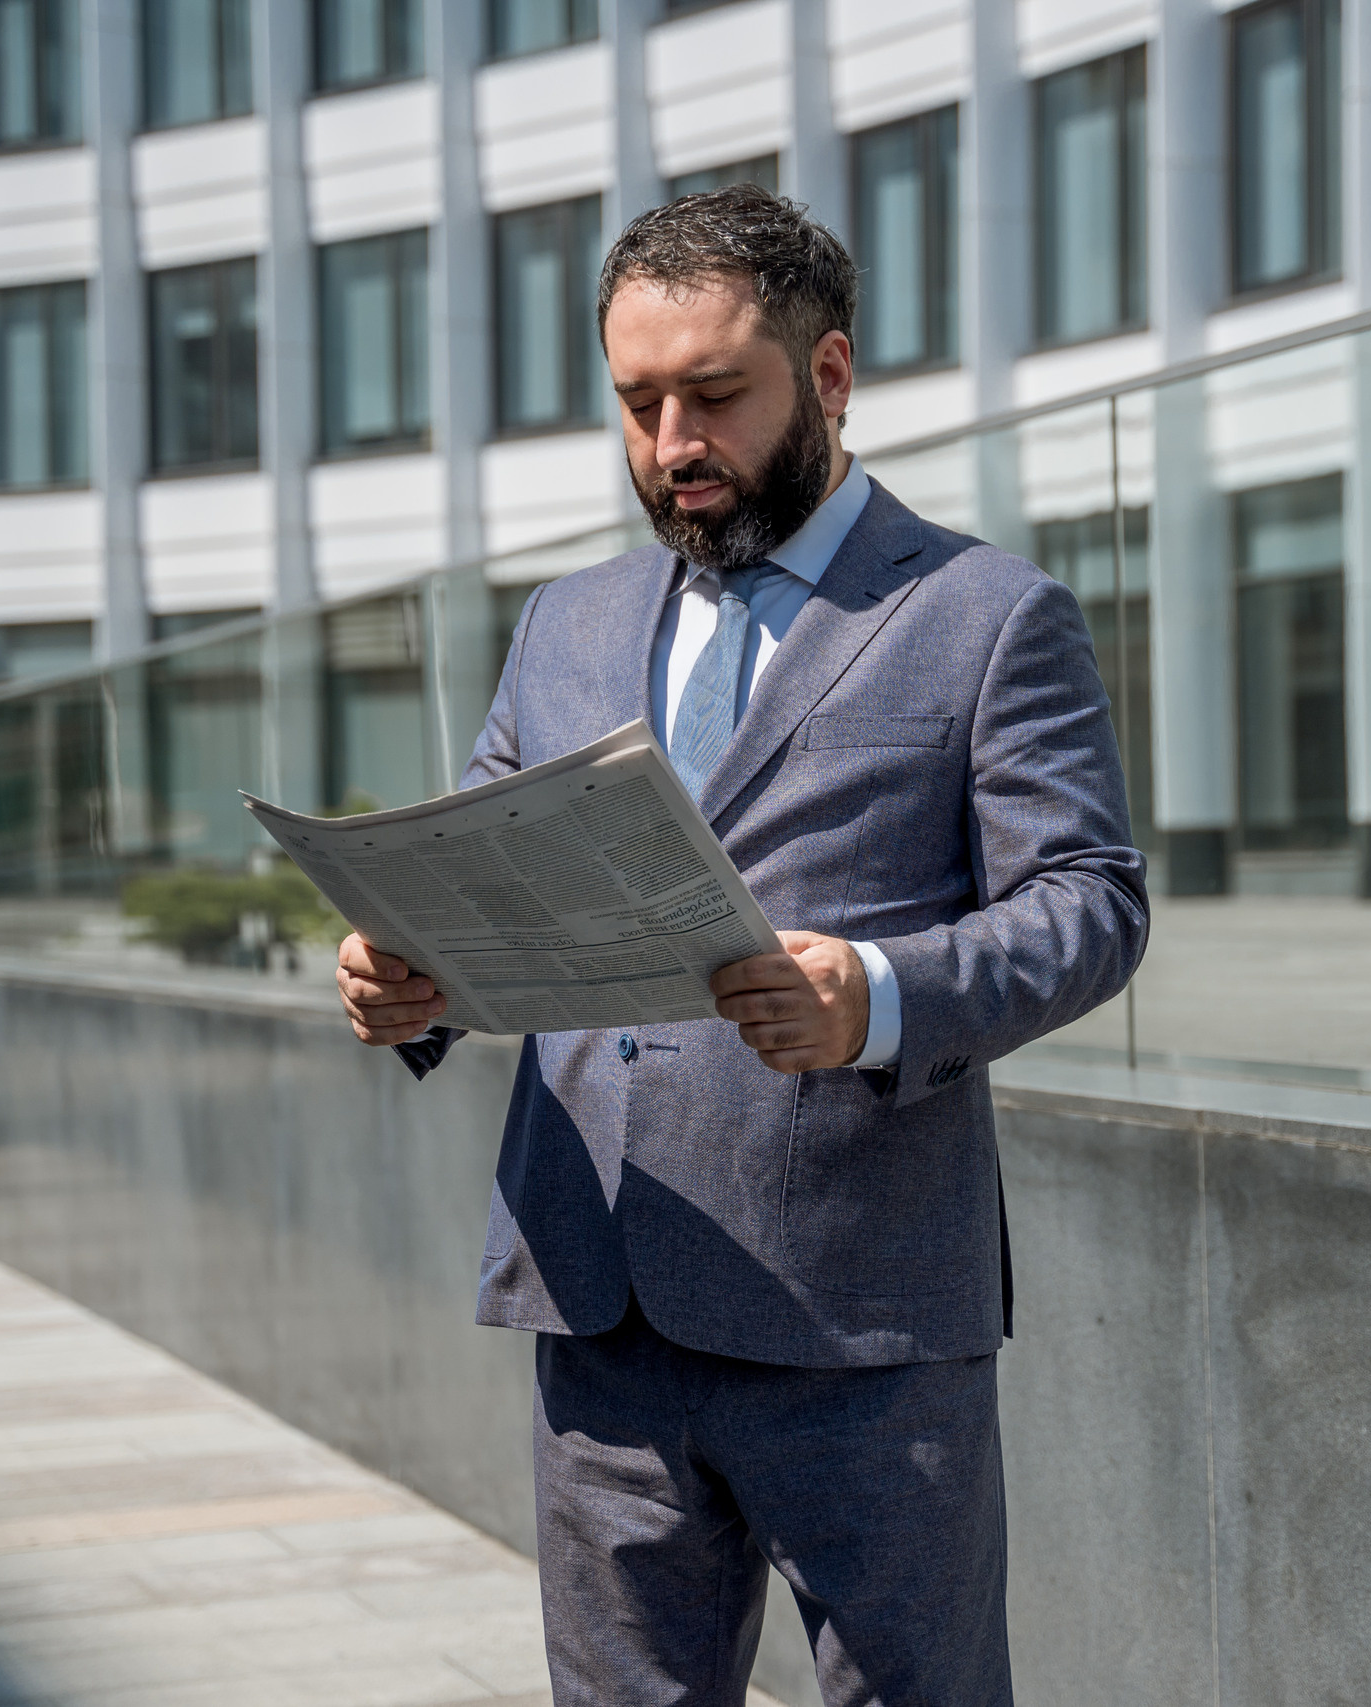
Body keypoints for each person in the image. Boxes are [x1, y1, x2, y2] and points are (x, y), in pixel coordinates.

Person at [333, 185, 1147, 1707]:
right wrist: (409, 977)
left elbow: (1093, 903)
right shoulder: (568, 622)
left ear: (827, 377)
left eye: (714, 395)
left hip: (862, 1323)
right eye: (636, 404)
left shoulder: (984, 616)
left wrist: (880, 996)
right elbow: (487, 872)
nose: (671, 447)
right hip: (598, 1301)